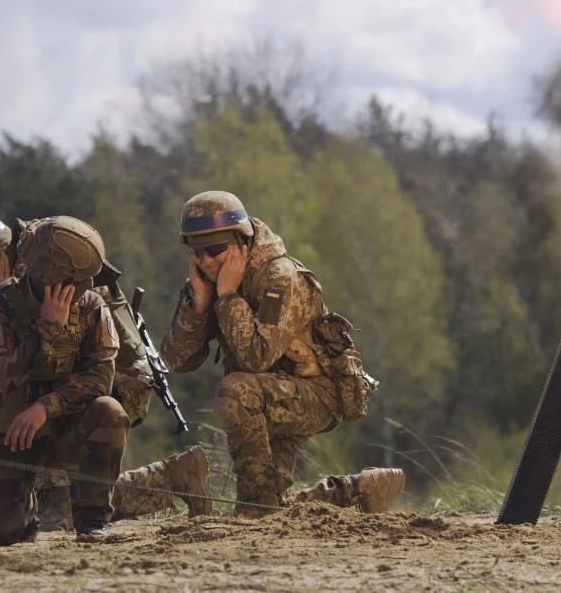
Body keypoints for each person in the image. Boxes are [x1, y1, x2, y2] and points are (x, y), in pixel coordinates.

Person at [0, 213, 213, 530]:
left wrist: (10, 311)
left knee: (54, 514)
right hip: (68, 390)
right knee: (16, 502)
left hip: (105, 388)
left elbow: (53, 365)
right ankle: (166, 479)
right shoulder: (30, 257)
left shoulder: (47, 266)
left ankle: (170, 480)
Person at [160, 191, 404, 515]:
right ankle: (361, 489)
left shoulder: (279, 276)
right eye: (196, 250)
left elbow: (256, 358)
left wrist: (229, 296)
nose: (206, 260)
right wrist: (199, 306)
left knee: (236, 390)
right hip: (269, 395)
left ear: (240, 240)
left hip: (316, 392)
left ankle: (255, 509)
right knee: (276, 503)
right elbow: (177, 361)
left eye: (215, 248)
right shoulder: (208, 282)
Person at [0, 215, 126, 543]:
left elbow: (101, 377)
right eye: (79, 279)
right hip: (10, 436)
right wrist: (47, 329)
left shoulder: (92, 306)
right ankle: (16, 501)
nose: (87, 287)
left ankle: (93, 517)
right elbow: (3, 377)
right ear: (49, 273)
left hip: (64, 430)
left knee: (110, 411)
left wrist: (46, 407)